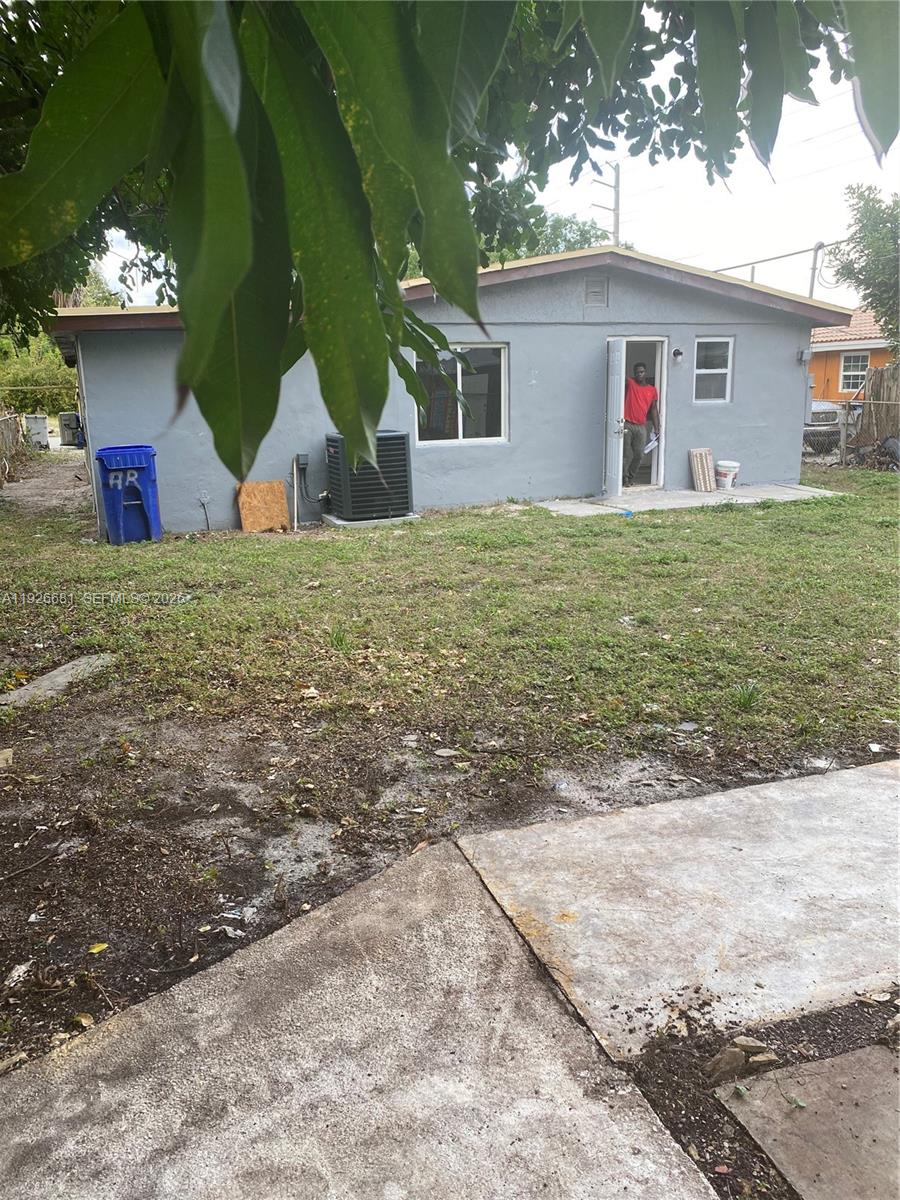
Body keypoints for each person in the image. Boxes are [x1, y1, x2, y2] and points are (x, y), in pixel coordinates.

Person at [622, 362, 659, 486]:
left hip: (641, 426)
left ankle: (631, 476)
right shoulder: (631, 384)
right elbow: (620, 376)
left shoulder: (652, 390)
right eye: (637, 372)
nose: (639, 374)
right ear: (634, 373)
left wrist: (656, 427)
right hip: (627, 424)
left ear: (645, 372)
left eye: (642, 372)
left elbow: (654, 409)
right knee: (625, 454)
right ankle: (624, 478)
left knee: (639, 454)